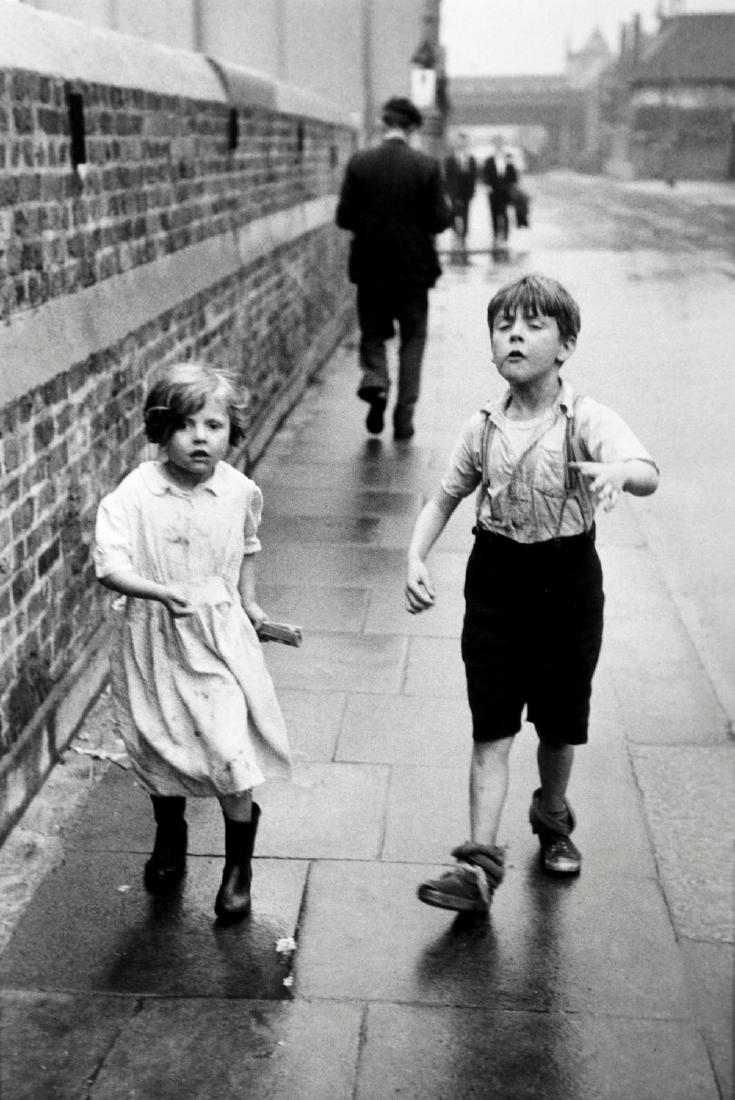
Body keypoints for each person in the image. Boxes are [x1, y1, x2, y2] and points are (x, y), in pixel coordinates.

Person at [405, 274, 659, 914]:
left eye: (533, 325)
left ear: (566, 345)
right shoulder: (481, 428)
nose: (514, 335)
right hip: (495, 583)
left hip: (567, 585)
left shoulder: (587, 420)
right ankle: (479, 867)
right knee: (491, 728)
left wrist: (620, 473)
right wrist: (414, 556)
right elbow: (443, 499)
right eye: (503, 326)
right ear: (492, 345)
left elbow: (647, 472)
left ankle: (551, 815)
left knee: (558, 724)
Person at [94, 362, 292, 922]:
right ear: (161, 430)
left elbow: (247, 546)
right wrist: (157, 592)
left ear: (232, 432)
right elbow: (109, 563)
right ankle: (169, 833)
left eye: (214, 425)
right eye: (185, 425)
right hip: (155, 633)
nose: (201, 437)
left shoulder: (239, 491)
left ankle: (238, 867)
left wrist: (250, 605)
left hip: (218, 637)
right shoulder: (137, 492)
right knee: (163, 741)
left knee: (231, 751)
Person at [336, 96, 453, 441]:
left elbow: (344, 217)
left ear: (383, 125)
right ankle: (404, 418)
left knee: (373, 333)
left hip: (371, 268)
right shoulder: (426, 166)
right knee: (412, 340)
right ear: (413, 128)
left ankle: (377, 381)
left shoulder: (360, 163)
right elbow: (441, 219)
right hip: (414, 272)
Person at [444, 129, 477, 264]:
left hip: (466, 193)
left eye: (464, 141)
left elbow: (473, 177)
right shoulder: (450, 159)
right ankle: (455, 235)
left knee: (466, 215)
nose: (461, 143)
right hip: (453, 192)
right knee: (455, 214)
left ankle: (464, 238)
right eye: (459, 141)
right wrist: (448, 193)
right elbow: (447, 177)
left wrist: (471, 192)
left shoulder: (470, 159)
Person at [482, 137, 519, 250]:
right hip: (493, 191)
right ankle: (495, 235)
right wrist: (487, 185)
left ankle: (505, 236)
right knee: (494, 214)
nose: (498, 145)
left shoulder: (509, 158)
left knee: (504, 213)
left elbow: (514, 175)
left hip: (505, 191)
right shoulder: (489, 160)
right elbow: (485, 175)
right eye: (496, 143)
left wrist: (512, 185)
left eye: (500, 143)